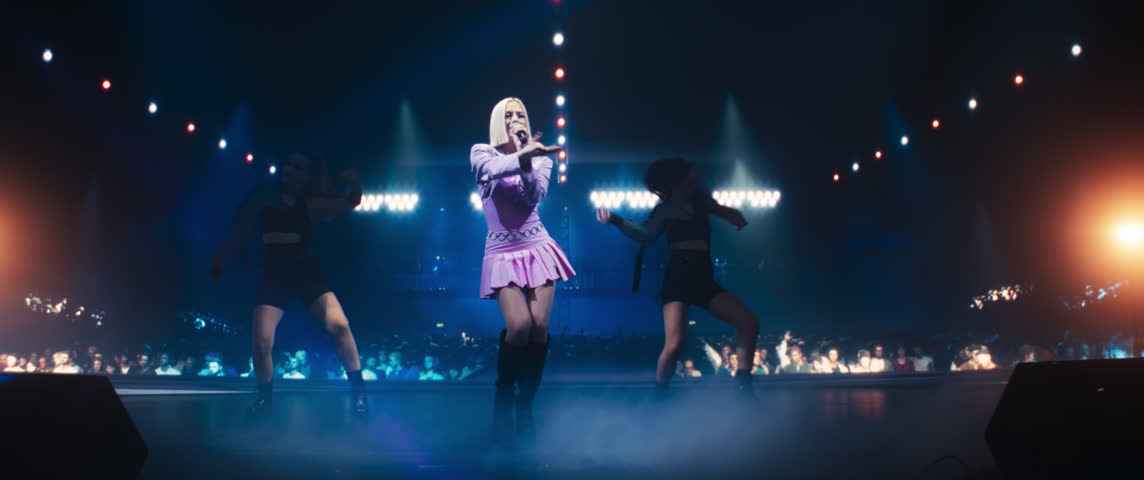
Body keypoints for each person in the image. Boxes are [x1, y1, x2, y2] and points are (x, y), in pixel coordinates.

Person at [210, 153, 369, 417]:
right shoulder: (263, 198)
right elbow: (239, 231)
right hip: (275, 273)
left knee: (340, 325)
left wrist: (354, 182)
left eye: (298, 167)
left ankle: (359, 392)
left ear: (306, 176)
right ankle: (264, 400)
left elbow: (353, 201)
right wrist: (220, 260)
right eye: (288, 165)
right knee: (261, 342)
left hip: (305, 270)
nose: (290, 170)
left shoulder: (309, 203)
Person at [598, 157, 759, 396]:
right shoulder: (665, 209)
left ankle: (744, 384)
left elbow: (722, 210)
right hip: (678, 277)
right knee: (674, 345)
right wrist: (616, 220)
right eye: (689, 175)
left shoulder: (701, 201)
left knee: (748, 322)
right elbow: (646, 235)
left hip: (703, 277)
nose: (695, 176)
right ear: (677, 181)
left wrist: (734, 215)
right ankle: (660, 393)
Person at [471, 97, 574, 442]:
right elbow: (490, 172)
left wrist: (531, 159)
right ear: (498, 120)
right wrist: (522, 155)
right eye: (510, 115)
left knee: (540, 327)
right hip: (502, 251)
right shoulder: (481, 152)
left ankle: (525, 406)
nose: (517, 120)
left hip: (536, 246)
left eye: (522, 115)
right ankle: (504, 399)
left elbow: (535, 195)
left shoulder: (540, 158)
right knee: (519, 325)